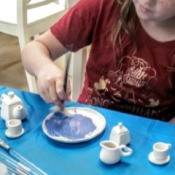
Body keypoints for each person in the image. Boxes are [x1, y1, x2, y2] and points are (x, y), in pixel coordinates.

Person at [21, 0, 175, 123]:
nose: (146, 1)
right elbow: (34, 48)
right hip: (88, 121)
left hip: (152, 139)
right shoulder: (103, 5)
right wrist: (44, 68)